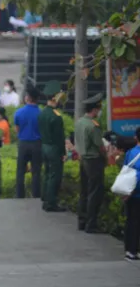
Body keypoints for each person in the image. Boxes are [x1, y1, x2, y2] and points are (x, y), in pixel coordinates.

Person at [74, 94, 106, 234]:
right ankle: (91, 224)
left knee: (84, 192)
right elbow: (100, 146)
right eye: (99, 109)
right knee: (94, 193)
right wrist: (106, 156)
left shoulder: (79, 122)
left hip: (83, 160)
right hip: (94, 161)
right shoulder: (94, 126)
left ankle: (82, 221)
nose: (99, 112)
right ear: (95, 109)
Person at [38, 81, 67, 212]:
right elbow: (59, 138)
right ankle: (51, 203)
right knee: (55, 175)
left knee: (47, 173)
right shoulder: (56, 117)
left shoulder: (42, 113)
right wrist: (63, 152)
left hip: (44, 146)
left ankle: (45, 198)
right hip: (54, 148)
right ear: (55, 98)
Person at [14, 88, 43, 199]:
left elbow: (17, 129)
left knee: (20, 171)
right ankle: (36, 196)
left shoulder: (19, 112)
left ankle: (19, 195)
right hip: (37, 144)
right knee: (36, 171)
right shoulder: (41, 113)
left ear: (28, 98)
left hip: (23, 143)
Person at [122, 128, 140, 260]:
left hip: (129, 192)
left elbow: (125, 170)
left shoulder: (130, 152)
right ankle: (134, 250)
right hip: (137, 192)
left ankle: (129, 249)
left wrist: (127, 191)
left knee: (131, 221)